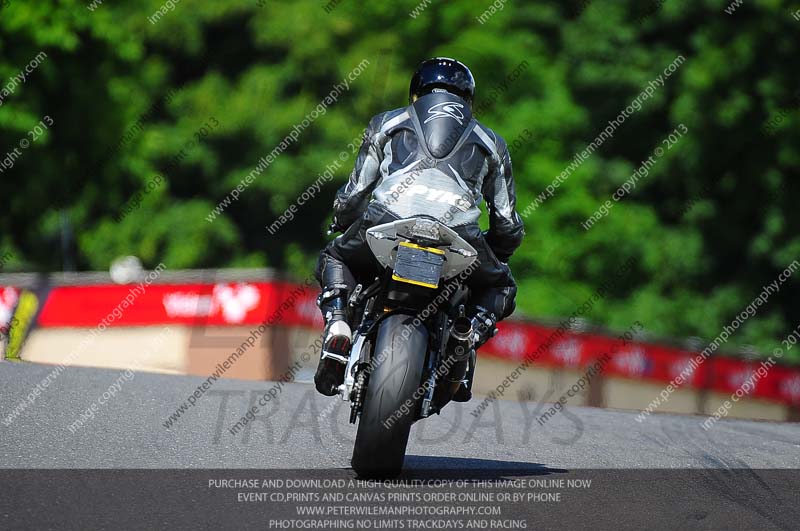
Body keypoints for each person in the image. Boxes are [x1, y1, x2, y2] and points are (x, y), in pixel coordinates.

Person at [314, 57, 524, 401]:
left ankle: (338, 321)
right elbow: (506, 221)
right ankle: (466, 335)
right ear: (468, 99)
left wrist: (340, 221)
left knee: (335, 257)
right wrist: (497, 253)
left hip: (387, 222)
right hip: (458, 236)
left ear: (416, 93)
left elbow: (354, 194)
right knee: (502, 287)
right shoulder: (492, 142)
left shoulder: (386, 121)